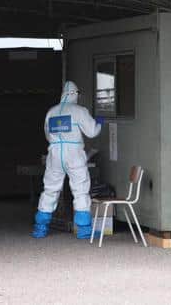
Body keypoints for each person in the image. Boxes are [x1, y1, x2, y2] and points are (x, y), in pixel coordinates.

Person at [32, 81, 103, 239]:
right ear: (75, 94)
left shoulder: (51, 112)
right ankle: (84, 229)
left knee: (50, 189)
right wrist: (99, 123)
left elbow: (47, 135)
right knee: (80, 189)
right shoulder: (79, 111)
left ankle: (40, 228)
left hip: (55, 154)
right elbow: (92, 132)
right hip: (74, 154)